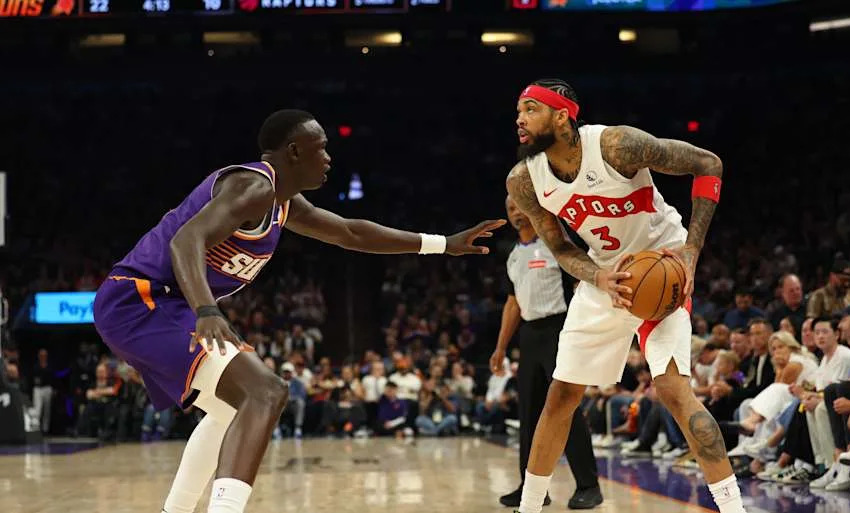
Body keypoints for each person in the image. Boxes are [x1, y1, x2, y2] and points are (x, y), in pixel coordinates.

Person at [92, 109, 505, 513]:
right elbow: (185, 241)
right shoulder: (253, 186)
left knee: (234, 410)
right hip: (139, 300)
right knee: (266, 391)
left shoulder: (283, 203)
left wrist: (441, 244)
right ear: (293, 151)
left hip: (162, 304)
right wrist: (207, 310)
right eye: (320, 147)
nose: (328, 158)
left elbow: (349, 232)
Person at [506, 79, 746, 513]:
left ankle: (733, 508)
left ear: (562, 116)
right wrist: (597, 277)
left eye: (530, 110)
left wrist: (691, 252)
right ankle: (529, 507)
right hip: (605, 276)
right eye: (518, 111)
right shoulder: (524, 181)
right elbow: (560, 248)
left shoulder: (616, 146)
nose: (519, 119)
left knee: (673, 390)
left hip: (660, 268)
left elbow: (708, 164)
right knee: (561, 396)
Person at [489, 195, 601, 509]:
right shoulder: (513, 255)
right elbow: (513, 304)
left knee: (566, 408)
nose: (515, 212)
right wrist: (500, 347)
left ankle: (589, 485)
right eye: (510, 208)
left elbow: (581, 284)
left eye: (519, 205)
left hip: (559, 330)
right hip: (529, 335)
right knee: (529, 413)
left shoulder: (556, 244)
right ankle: (531, 488)